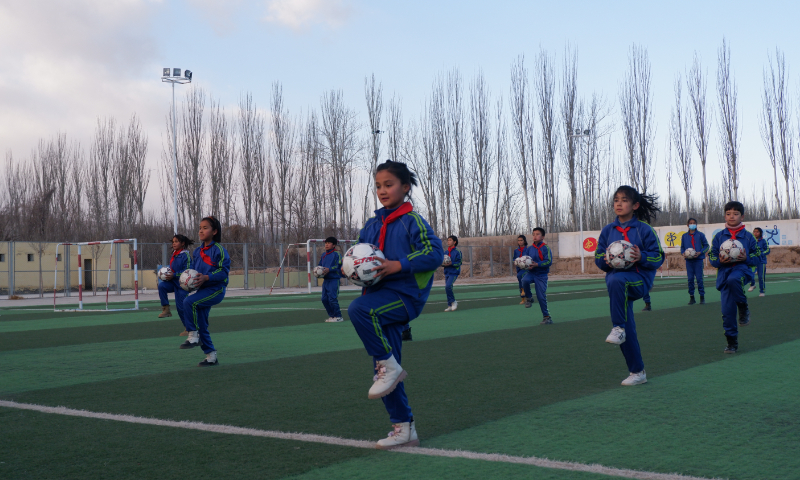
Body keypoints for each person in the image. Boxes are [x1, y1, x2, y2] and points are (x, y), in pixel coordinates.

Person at [347, 159, 443, 449]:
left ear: (405, 187)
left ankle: (389, 368)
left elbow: (434, 254)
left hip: (405, 298)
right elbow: (359, 255)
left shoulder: (412, 221)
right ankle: (404, 430)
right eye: (378, 185)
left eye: (389, 184)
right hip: (377, 300)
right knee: (384, 372)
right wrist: (348, 267)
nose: (383, 190)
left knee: (357, 310)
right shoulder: (371, 224)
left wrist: (396, 265)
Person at [595, 185, 663, 386]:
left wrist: (642, 256)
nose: (619, 203)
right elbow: (598, 257)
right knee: (628, 330)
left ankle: (617, 326)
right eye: (616, 199)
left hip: (638, 281)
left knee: (617, 282)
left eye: (624, 200)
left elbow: (658, 256)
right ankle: (637, 372)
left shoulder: (644, 230)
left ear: (635, 205)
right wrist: (606, 260)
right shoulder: (608, 230)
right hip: (617, 286)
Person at [179, 216, 230, 367]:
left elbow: (223, 273)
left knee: (188, 302)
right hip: (201, 291)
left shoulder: (219, 250)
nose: (201, 230)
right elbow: (194, 272)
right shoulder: (197, 251)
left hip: (215, 289)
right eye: (200, 228)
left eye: (205, 228)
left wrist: (207, 277)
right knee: (201, 323)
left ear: (214, 231)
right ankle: (211, 357)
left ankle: (193, 336)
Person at [709, 202, 758, 354]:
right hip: (724, 274)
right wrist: (719, 261)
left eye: (736, 214)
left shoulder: (749, 237)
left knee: (734, 279)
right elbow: (712, 257)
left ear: (742, 216)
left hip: (741, 271)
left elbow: (757, 257)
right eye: (729, 213)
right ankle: (732, 342)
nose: (732, 216)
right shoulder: (719, 236)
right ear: (725, 216)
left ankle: (743, 306)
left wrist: (746, 258)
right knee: (727, 312)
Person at [157, 234, 194, 335]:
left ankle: (188, 329)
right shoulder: (174, 254)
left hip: (183, 285)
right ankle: (166, 309)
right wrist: (166, 273)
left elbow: (187, 271)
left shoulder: (185, 255)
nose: (174, 243)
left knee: (181, 307)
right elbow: (173, 268)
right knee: (161, 286)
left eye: (176, 241)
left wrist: (174, 274)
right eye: (173, 242)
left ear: (183, 243)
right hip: (173, 282)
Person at [521, 228, 553, 324]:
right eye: (533, 234)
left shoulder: (545, 248)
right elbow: (525, 260)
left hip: (541, 275)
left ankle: (547, 317)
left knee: (541, 296)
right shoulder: (529, 249)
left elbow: (548, 261)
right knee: (524, 280)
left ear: (542, 237)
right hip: (532, 273)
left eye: (537, 234)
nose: (535, 236)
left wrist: (537, 264)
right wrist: (523, 265)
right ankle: (529, 298)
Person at [680, 218, 710, 305]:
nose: (692, 224)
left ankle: (702, 297)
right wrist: (683, 253)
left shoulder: (700, 235)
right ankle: (692, 297)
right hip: (689, 261)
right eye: (690, 223)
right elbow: (682, 247)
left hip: (698, 260)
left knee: (699, 279)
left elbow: (706, 246)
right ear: (687, 225)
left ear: (696, 225)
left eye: (694, 223)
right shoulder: (684, 236)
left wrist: (700, 252)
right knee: (690, 279)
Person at [318, 236, 344, 322]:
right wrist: (318, 271)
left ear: (334, 245)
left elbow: (339, 267)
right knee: (324, 299)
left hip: (334, 279)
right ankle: (332, 316)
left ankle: (338, 316)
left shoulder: (337, 254)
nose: (326, 245)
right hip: (326, 280)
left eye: (329, 243)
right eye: (325, 243)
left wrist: (330, 269)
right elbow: (320, 266)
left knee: (332, 298)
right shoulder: (323, 255)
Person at [443, 235, 462, 312]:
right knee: (447, 288)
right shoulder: (446, 252)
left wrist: (451, 263)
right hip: (447, 271)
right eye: (448, 240)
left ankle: (453, 302)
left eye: (450, 240)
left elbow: (459, 262)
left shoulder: (457, 252)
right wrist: (442, 264)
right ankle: (449, 305)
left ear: (454, 242)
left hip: (454, 272)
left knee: (448, 286)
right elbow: (443, 261)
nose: (448, 241)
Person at [748, 227, 769, 296]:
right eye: (754, 231)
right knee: (750, 273)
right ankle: (752, 284)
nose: (755, 233)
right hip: (753, 261)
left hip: (761, 261)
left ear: (760, 233)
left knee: (761, 277)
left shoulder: (763, 241)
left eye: (757, 232)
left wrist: (762, 254)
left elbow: (768, 250)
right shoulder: (751, 241)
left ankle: (762, 291)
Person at [513, 235, 528, 305]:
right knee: (520, 282)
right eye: (518, 240)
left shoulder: (528, 249)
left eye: (521, 240)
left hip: (526, 269)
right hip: (519, 268)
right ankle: (523, 298)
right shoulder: (516, 250)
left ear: (524, 241)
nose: (520, 242)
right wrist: (516, 262)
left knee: (520, 276)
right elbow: (514, 259)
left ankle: (526, 295)